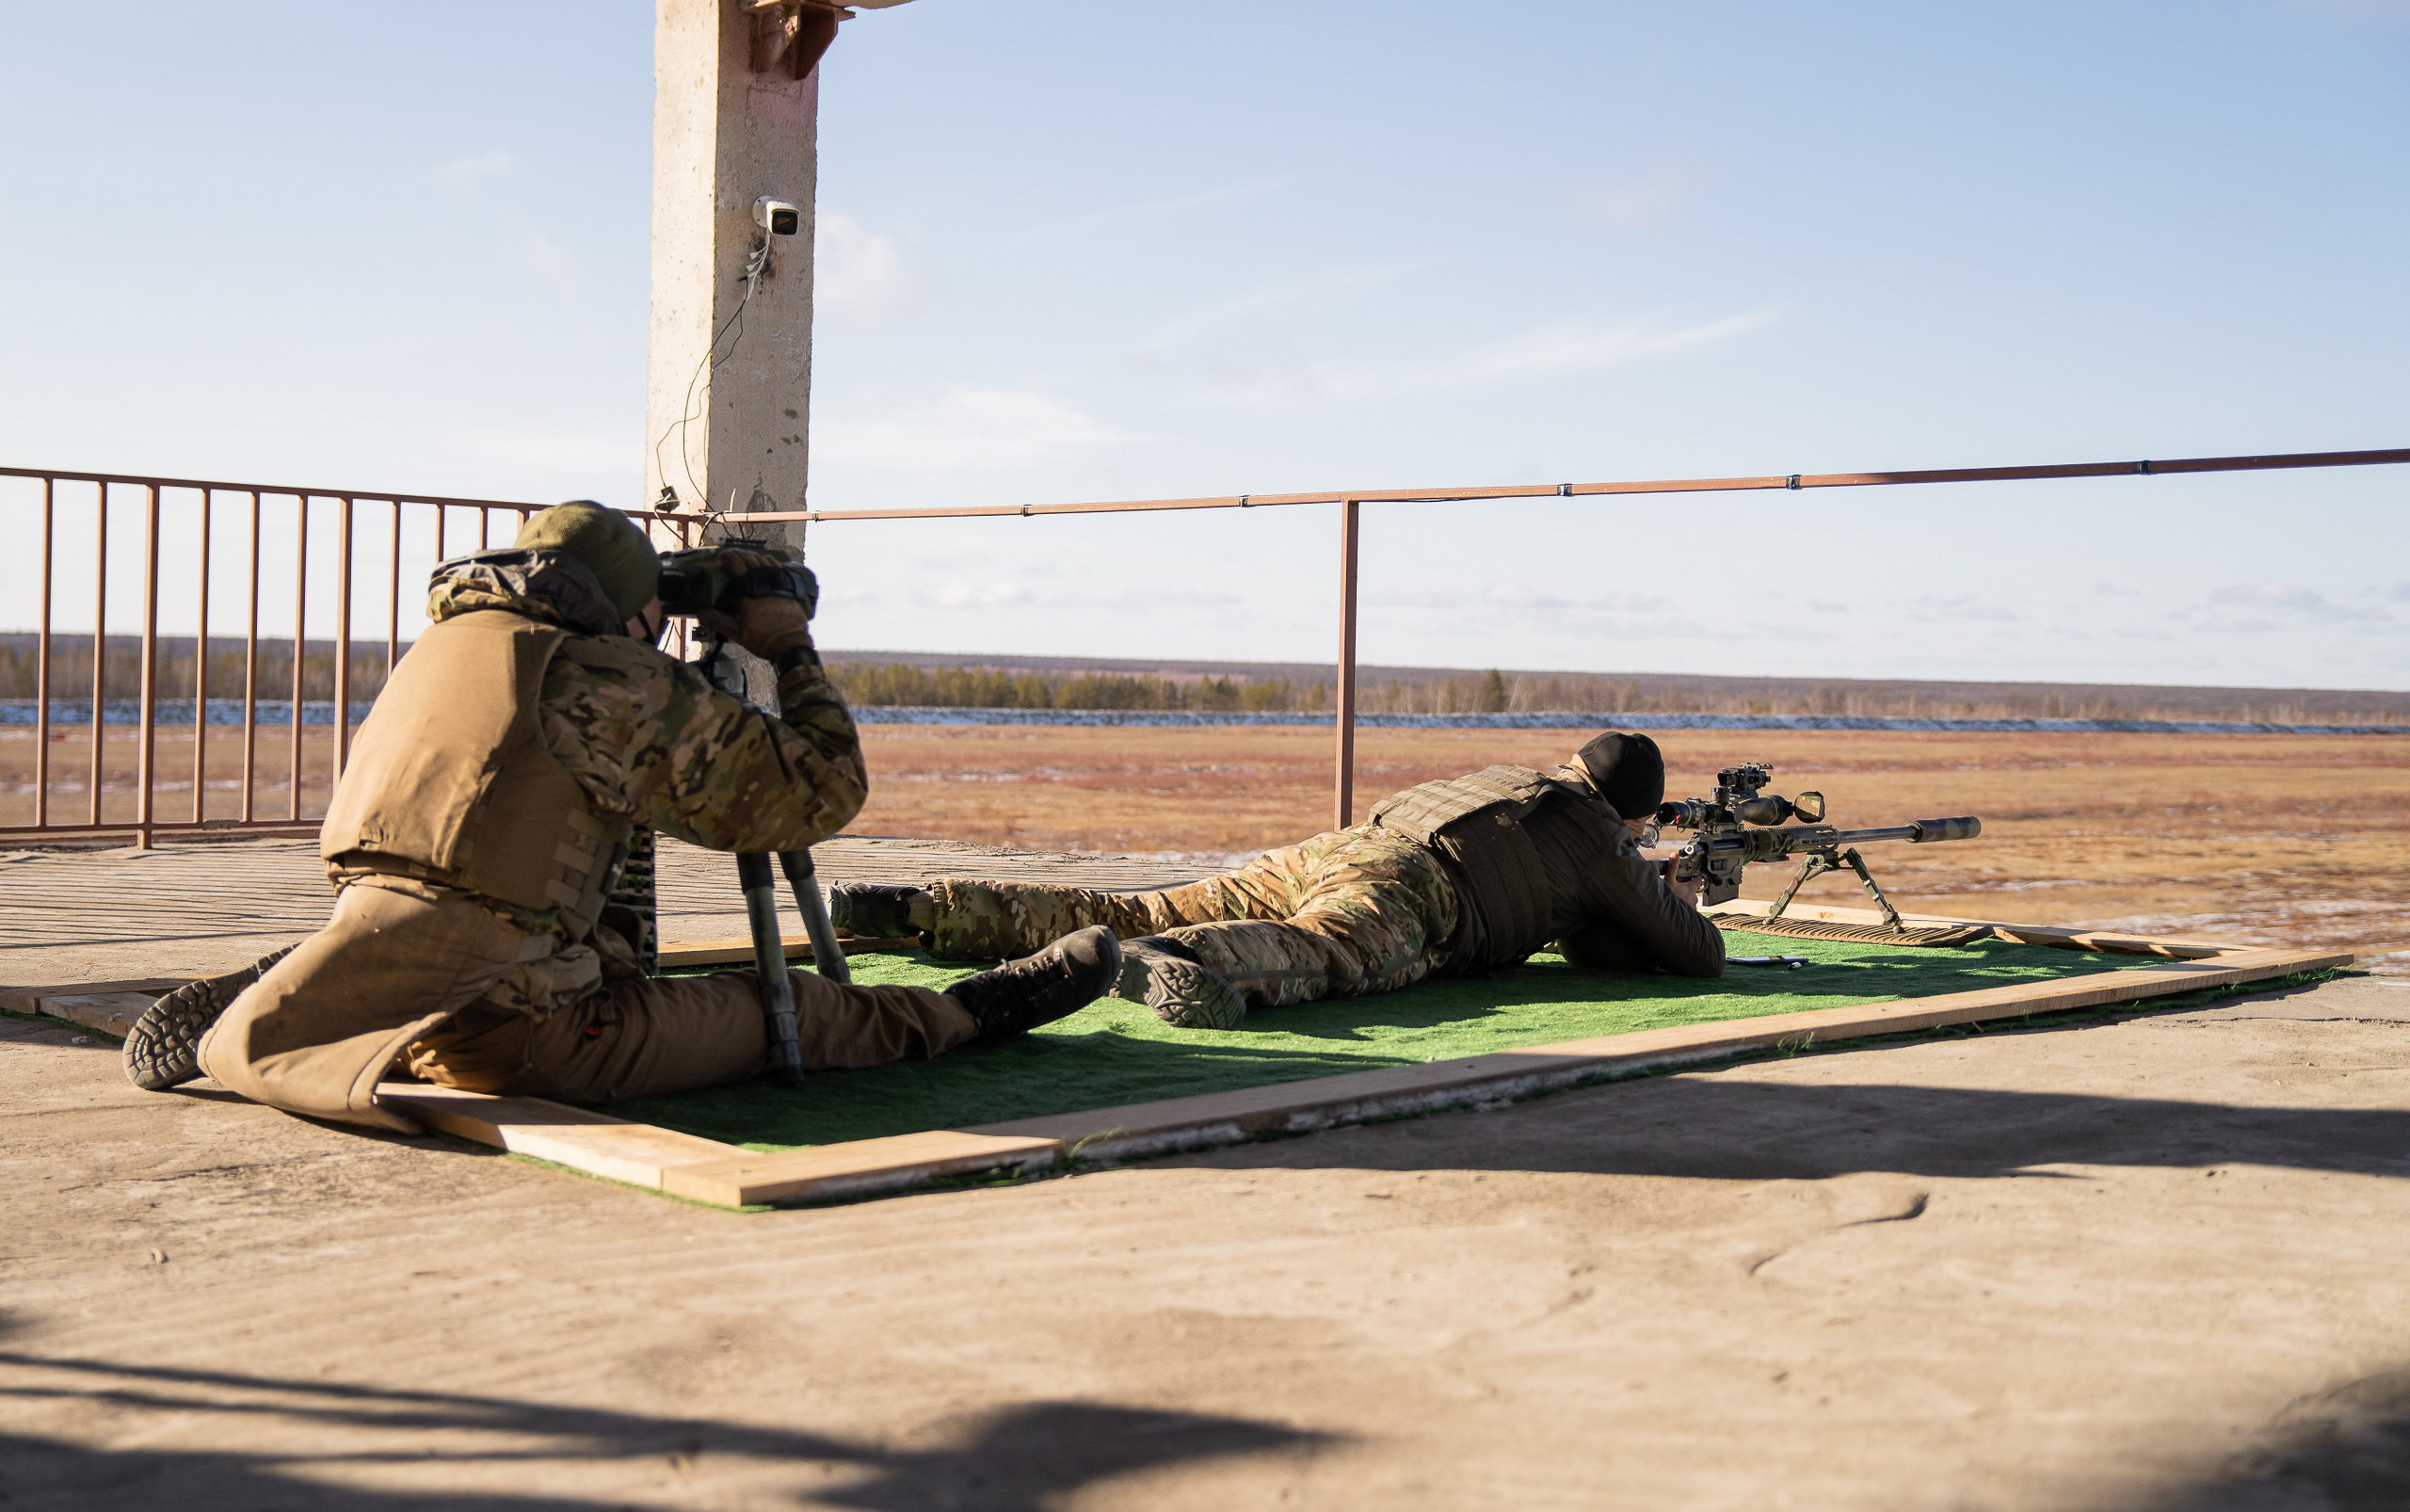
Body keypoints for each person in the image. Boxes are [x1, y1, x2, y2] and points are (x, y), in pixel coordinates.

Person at [120, 502, 1119, 1132]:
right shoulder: (601, 678)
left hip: (426, 945)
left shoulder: (452, 652)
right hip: (511, 1040)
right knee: (794, 1010)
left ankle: (332, 978)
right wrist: (784, 644)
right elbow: (821, 791)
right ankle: (966, 1013)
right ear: (626, 610)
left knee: (480, 902)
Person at [831, 732, 1723, 1030]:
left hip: (1340, 846)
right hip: (1418, 890)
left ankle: (921, 909)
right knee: (1324, 952)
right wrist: (1671, 896)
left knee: (1130, 903)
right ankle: (1177, 959)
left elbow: (1578, 928)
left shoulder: (1515, 783)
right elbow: (1697, 955)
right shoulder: (1598, 836)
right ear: (1628, 812)